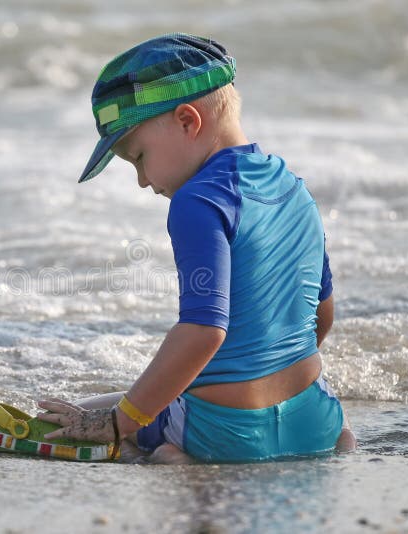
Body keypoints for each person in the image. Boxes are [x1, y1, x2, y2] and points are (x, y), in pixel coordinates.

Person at [36, 33, 356, 463]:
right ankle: (340, 445)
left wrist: (116, 425)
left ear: (188, 121)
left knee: (112, 419)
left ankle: (175, 462)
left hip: (226, 434)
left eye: (138, 156)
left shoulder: (198, 199)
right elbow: (323, 314)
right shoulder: (294, 188)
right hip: (315, 421)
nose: (143, 181)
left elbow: (204, 330)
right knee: (140, 400)